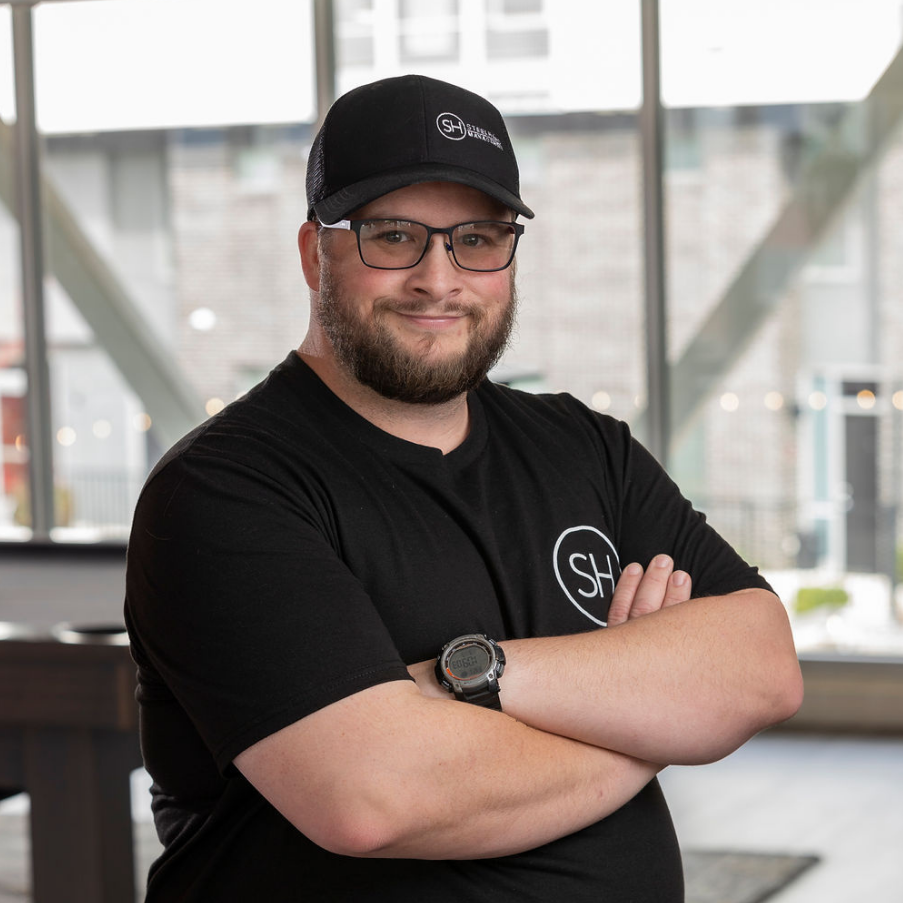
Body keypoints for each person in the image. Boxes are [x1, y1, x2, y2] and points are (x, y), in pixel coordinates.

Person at [125, 74, 803, 902]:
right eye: (394, 236)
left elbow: (763, 668)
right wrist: (658, 716)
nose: (438, 279)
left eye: (477, 238)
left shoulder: (585, 446)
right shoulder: (224, 489)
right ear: (314, 252)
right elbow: (376, 796)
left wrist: (471, 676)